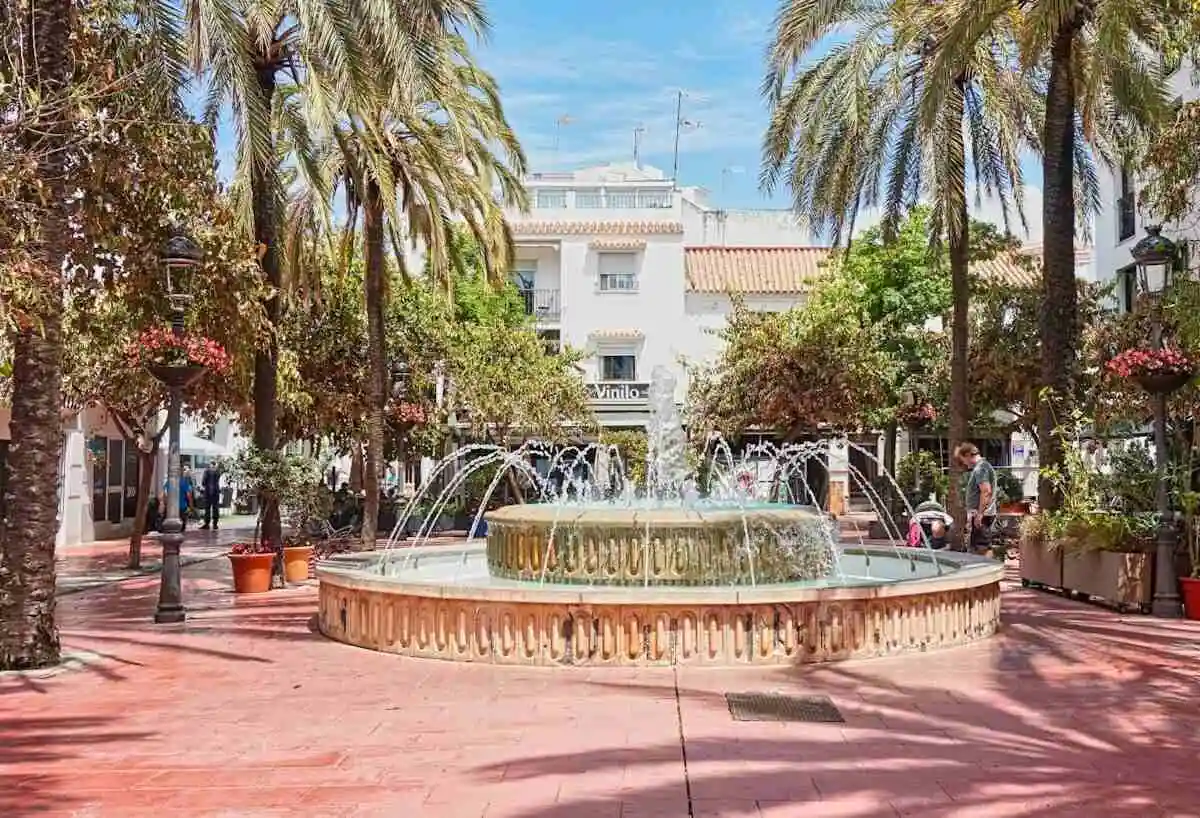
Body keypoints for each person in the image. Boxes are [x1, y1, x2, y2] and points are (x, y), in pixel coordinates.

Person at [955, 442, 996, 554]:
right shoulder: (983, 466)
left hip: (981, 514)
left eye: (962, 459)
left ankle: (989, 570)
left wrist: (980, 514)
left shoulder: (980, 469)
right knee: (980, 546)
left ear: (968, 455)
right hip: (981, 513)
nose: (963, 463)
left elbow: (986, 491)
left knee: (982, 547)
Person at [200, 462, 222, 530]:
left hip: (208, 492)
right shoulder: (217, 472)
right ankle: (215, 524)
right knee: (215, 508)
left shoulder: (206, 471)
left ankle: (207, 524)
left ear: (210, 465)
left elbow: (203, 482)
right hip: (216, 491)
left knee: (207, 508)